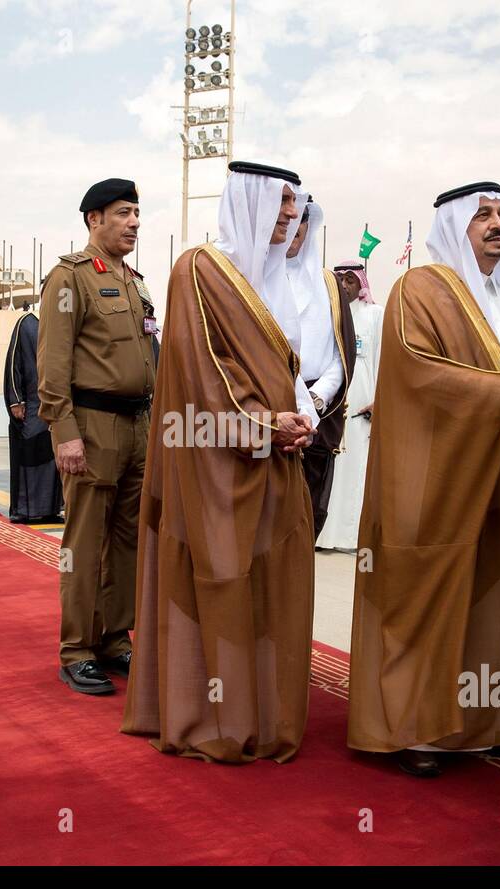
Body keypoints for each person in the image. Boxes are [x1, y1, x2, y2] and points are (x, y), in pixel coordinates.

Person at [348, 182, 500, 780]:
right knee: (434, 596)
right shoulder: (419, 289)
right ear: (453, 226)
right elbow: (416, 373)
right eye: (483, 216)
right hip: (440, 474)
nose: (497, 224)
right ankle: (419, 730)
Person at [121, 161, 316, 761]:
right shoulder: (200, 269)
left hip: (276, 457)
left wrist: (301, 416)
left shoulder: (274, 278)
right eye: (281, 202)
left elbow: (289, 366)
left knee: (269, 583)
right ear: (250, 201)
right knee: (218, 579)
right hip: (213, 458)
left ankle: (262, 708)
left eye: (296, 204)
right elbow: (204, 372)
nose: (291, 214)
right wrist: (262, 423)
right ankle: (211, 715)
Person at [38, 177, 157, 696]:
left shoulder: (135, 281)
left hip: (138, 426)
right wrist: (64, 433)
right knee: (84, 544)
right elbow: (53, 364)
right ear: (94, 219)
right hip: (91, 426)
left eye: (136, 212)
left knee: (128, 541)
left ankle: (113, 637)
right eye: (123, 212)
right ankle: (77, 649)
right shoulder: (71, 278)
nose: (134, 222)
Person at [286, 192, 355, 539]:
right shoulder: (250, 280)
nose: (294, 227)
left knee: (308, 518)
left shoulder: (328, 284)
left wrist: (316, 400)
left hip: (318, 416)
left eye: (302, 220)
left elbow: (341, 355)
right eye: (288, 218)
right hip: (269, 413)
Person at [319, 260, 383, 550]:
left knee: (356, 471)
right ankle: (325, 536)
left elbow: (385, 359)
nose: (345, 286)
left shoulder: (375, 315)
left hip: (362, 410)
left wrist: (378, 399)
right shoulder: (330, 315)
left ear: (361, 283)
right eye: (340, 281)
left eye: (350, 280)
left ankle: (350, 538)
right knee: (332, 470)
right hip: (333, 409)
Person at [4, 307, 63, 523]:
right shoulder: (26, 323)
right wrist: (15, 400)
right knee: (29, 455)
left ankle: (51, 509)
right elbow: (13, 364)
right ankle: (24, 509)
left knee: (53, 458)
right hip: (31, 404)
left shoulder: (61, 320)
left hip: (56, 405)